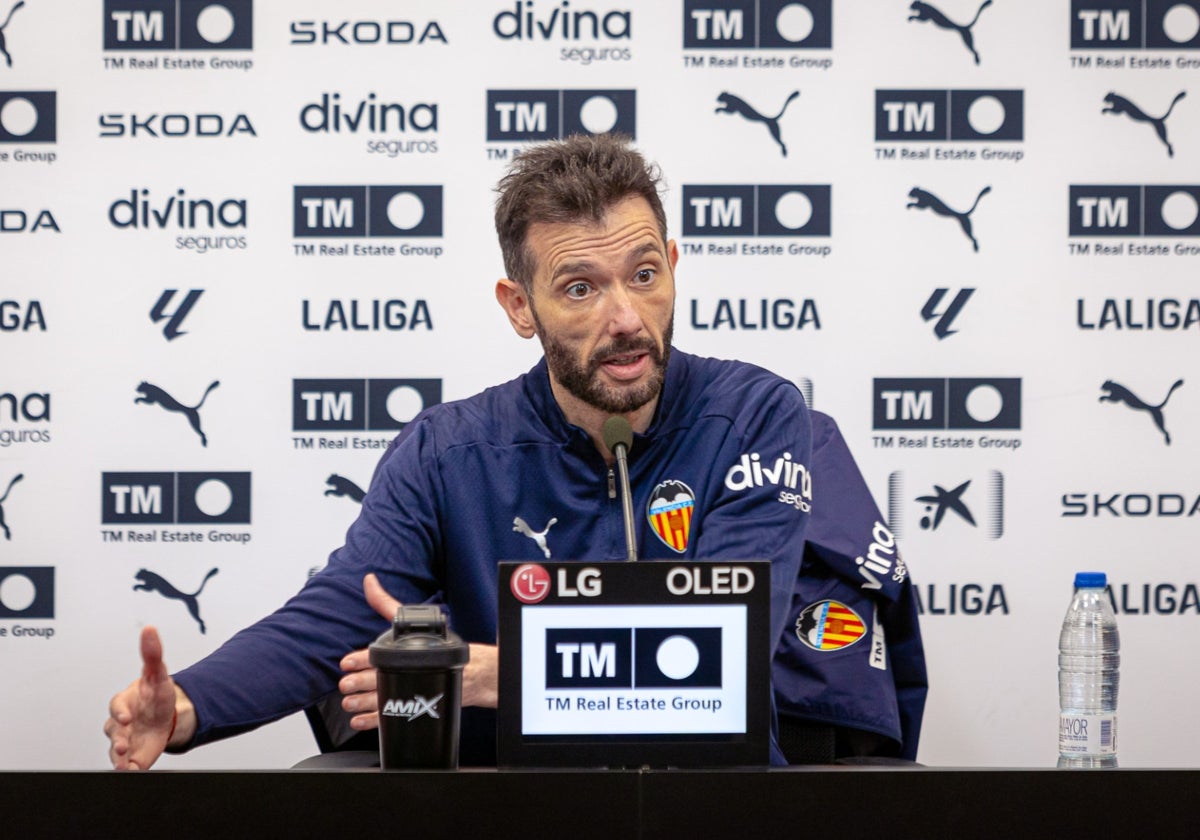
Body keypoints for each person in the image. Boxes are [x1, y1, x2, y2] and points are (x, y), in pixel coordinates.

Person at [106, 134, 916, 769]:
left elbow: (720, 655)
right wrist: (187, 705)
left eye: (642, 274)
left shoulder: (759, 413)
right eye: (579, 288)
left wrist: (498, 674)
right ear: (518, 307)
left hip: (708, 805)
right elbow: (339, 613)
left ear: (672, 266)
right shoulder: (446, 452)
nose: (627, 317)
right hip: (514, 808)